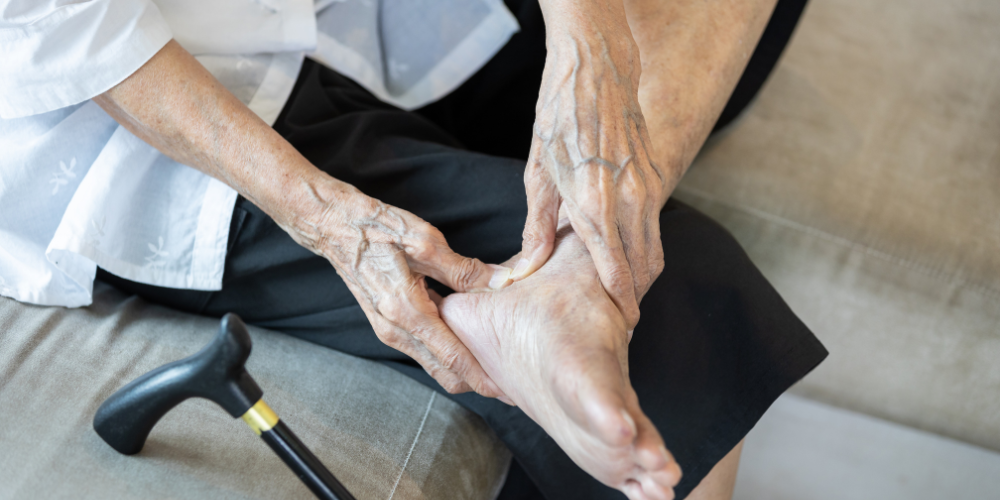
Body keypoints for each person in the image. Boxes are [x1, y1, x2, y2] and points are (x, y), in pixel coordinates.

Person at [0, 0, 826, 498]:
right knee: (681, 310)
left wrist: (588, 38)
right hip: (158, 99)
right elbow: (76, 29)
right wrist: (326, 217)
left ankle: (578, 268)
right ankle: (582, 276)